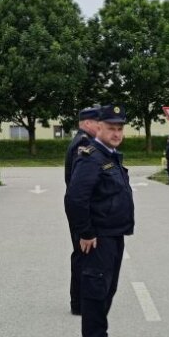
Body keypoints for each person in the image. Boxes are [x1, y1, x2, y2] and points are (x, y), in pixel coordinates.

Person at [64, 104, 135, 337]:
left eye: (119, 128)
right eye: (111, 128)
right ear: (99, 128)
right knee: (95, 291)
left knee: (107, 289)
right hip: (99, 237)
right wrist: (86, 232)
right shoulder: (91, 156)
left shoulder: (110, 155)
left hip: (113, 234)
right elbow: (75, 197)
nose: (116, 133)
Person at [64, 107, 101, 316]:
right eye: (98, 123)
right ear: (87, 123)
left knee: (82, 253)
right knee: (84, 253)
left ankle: (79, 301)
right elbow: (81, 185)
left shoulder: (81, 139)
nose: (101, 127)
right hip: (81, 207)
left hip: (79, 205)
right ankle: (79, 302)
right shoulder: (84, 143)